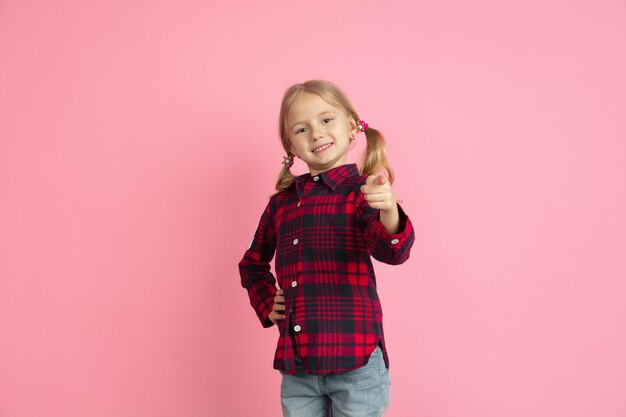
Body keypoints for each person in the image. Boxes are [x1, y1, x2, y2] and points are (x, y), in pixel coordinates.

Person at [238, 80, 415, 417]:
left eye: (326, 120)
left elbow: (394, 251)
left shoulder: (362, 193)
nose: (316, 134)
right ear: (291, 145)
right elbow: (251, 264)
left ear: (351, 127)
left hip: (357, 362)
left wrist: (388, 210)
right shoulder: (281, 205)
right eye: (302, 129)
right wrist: (266, 301)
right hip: (298, 368)